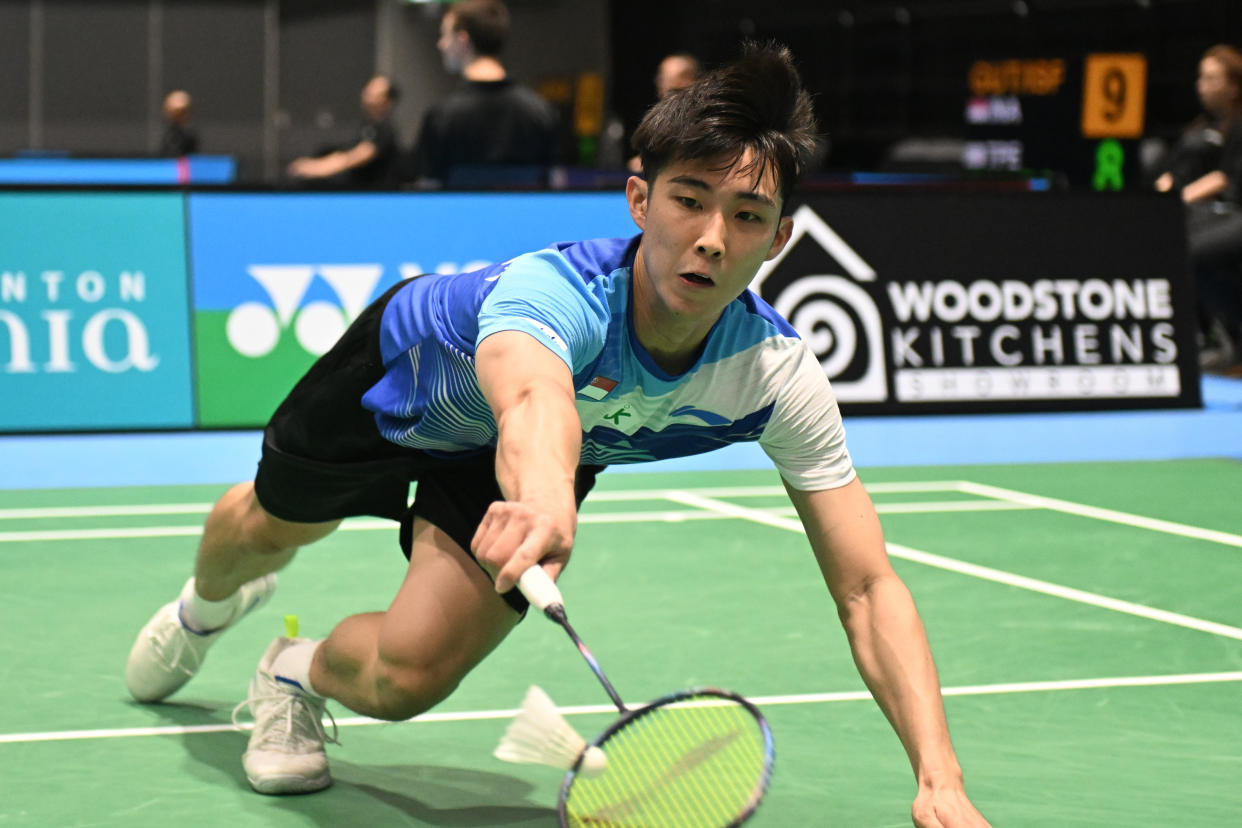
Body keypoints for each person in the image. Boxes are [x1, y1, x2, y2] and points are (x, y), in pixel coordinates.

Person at [124, 42, 990, 827]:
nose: (712, 240)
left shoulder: (772, 374)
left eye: (747, 216)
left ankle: (289, 672)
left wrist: (940, 777)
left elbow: (868, 588)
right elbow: (535, 398)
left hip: (528, 463)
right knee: (269, 531)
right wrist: (542, 500)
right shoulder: (557, 294)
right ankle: (204, 613)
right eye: (689, 201)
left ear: (780, 238)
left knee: (411, 677)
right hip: (398, 394)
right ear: (640, 199)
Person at [1155, 45, 1242, 372]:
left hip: (1236, 213)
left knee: (1189, 251)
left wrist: (1179, 198)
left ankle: (1214, 335)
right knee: (1177, 241)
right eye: (1200, 78)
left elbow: (1225, 177)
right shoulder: (1207, 126)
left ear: (1233, 85)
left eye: (1211, 78)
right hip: (1224, 213)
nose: (1201, 85)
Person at [410, 0, 559, 188]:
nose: (441, 45)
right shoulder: (541, 112)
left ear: (463, 40)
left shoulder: (440, 117)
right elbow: (552, 189)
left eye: (445, 36)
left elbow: (429, 195)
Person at [286, 75, 402, 189]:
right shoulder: (366, 127)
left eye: (375, 93)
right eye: (368, 90)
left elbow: (354, 158)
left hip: (373, 196)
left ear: (387, 101)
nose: (368, 94)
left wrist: (315, 168)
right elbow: (343, 155)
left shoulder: (384, 129)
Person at [627, 52, 702, 172]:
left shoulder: (704, 118)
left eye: (667, 78)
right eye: (660, 77)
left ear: (689, 80)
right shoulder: (661, 118)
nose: (660, 83)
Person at [158, 90, 199, 157]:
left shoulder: (191, 136)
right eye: (176, 112)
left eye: (182, 112)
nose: (178, 115)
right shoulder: (164, 135)